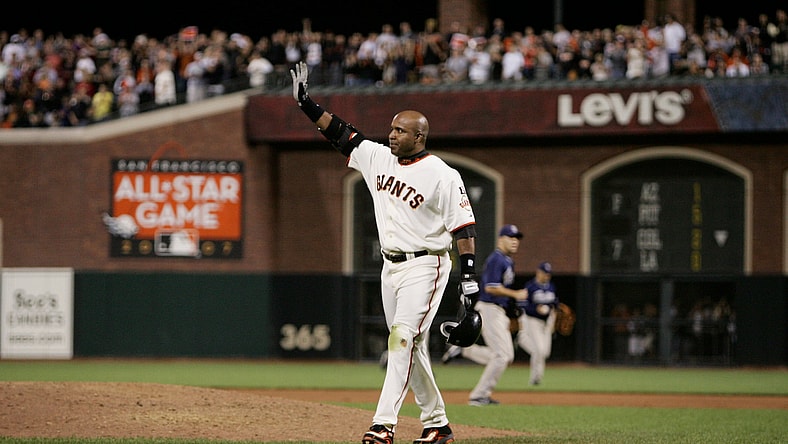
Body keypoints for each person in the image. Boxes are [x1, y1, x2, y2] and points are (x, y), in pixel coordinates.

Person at [290, 61, 478, 444]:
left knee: (401, 339)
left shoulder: (442, 174)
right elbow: (340, 133)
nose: (391, 135)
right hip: (390, 268)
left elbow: (464, 228)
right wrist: (307, 104)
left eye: (400, 130)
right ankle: (437, 425)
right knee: (411, 345)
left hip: (427, 264)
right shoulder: (378, 157)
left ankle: (383, 424)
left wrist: (470, 277)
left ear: (419, 136)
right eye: (391, 128)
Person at [441, 224, 528, 406]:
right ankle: (479, 395)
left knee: (506, 356)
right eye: (510, 237)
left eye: (516, 238)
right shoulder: (497, 259)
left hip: (498, 311)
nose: (514, 241)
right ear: (500, 239)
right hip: (489, 308)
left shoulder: (508, 261)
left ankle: (465, 350)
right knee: (502, 356)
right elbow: (490, 287)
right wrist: (515, 294)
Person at [516, 261, 559, 386]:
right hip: (532, 320)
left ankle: (522, 340)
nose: (547, 276)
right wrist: (536, 309)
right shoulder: (531, 286)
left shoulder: (551, 287)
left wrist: (553, 321)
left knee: (545, 352)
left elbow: (555, 305)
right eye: (545, 273)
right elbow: (523, 305)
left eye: (548, 274)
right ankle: (536, 378)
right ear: (538, 272)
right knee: (539, 350)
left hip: (547, 322)